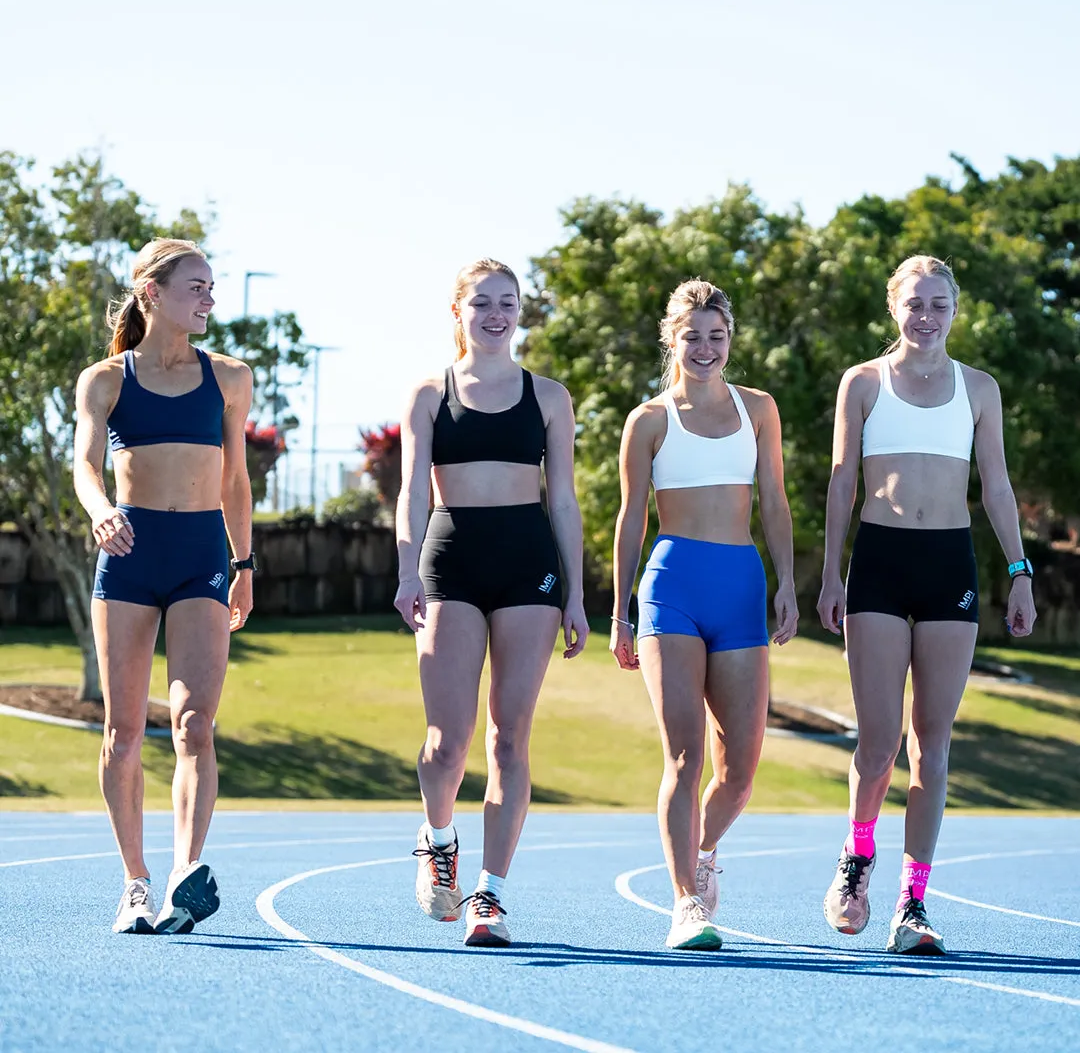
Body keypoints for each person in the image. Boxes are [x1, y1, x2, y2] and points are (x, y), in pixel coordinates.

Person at [817, 254, 1037, 955]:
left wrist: (1020, 569)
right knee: (878, 743)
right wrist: (829, 574)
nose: (927, 315)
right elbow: (841, 484)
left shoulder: (979, 389)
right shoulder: (863, 383)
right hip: (878, 567)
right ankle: (856, 861)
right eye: (915, 303)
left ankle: (913, 903)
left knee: (932, 745)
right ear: (894, 307)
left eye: (939, 304)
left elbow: (996, 487)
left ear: (954, 309)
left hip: (950, 568)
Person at [395, 258, 588, 948]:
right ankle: (438, 839)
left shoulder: (550, 397)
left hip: (527, 564)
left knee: (511, 736)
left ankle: (490, 895)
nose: (496, 313)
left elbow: (563, 498)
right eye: (482, 302)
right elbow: (413, 490)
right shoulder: (427, 393)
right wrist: (406, 569)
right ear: (459, 311)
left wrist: (576, 593)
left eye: (508, 302)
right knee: (447, 744)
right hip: (450, 558)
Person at [610, 279, 798, 950]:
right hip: (672, 587)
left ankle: (704, 850)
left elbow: (773, 502)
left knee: (740, 767)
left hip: (742, 586)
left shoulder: (759, 409)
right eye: (693, 336)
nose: (706, 348)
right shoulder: (650, 420)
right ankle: (686, 902)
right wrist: (619, 611)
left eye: (717, 336)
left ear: (730, 340)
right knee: (685, 758)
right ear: (673, 339)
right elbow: (631, 519)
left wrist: (787, 584)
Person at [73, 238, 254, 934]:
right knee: (122, 734)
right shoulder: (106, 380)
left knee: (193, 723)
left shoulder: (230, 378)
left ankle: (185, 872)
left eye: (211, 287)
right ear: (153, 293)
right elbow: (85, 465)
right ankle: (136, 883)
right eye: (197, 288)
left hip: (202, 553)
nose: (209, 299)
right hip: (130, 554)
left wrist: (244, 565)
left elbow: (236, 481)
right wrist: (101, 512)